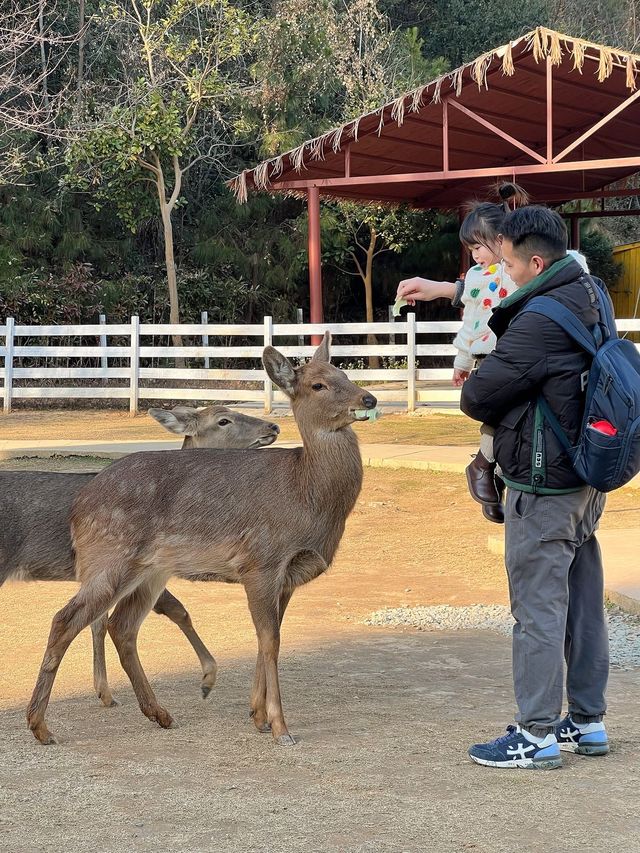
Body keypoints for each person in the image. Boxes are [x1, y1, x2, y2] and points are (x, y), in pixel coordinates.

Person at [460, 205, 610, 770]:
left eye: (511, 262)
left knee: (538, 610)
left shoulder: (541, 318)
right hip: (585, 480)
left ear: (538, 260)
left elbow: (477, 396)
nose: (506, 270)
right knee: (581, 605)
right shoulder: (593, 294)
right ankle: (587, 722)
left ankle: (537, 732)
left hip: (544, 487)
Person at [396, 184, 588, 523]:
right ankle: (486, 466)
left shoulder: (521, 271)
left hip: (519, 353)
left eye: (479, 246)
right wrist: (463, 360)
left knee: (510, 416)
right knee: (500, 414)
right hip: (497, 355)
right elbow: (472, 312)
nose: (475, 255)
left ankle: (487, 467)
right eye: (470, 249)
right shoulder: (481, 276)